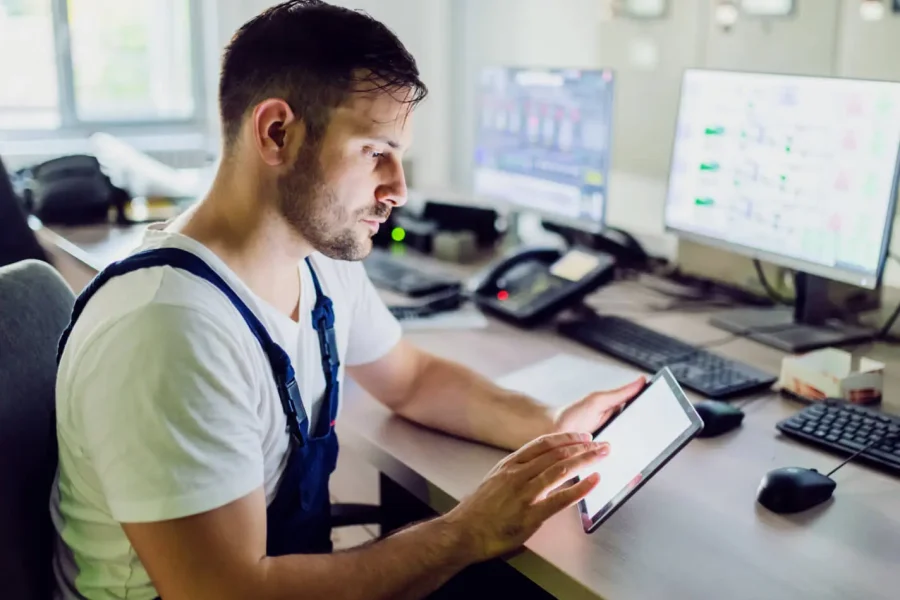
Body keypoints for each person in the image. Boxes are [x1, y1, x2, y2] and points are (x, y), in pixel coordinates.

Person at [49, 2, 644, 599]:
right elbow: (230, 593)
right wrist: (463, 532)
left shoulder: (318, 262)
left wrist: (553, 430)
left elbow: (412, 380)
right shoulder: (167, 330)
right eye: (374, 151)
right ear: (277, 133)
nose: (399, 189)